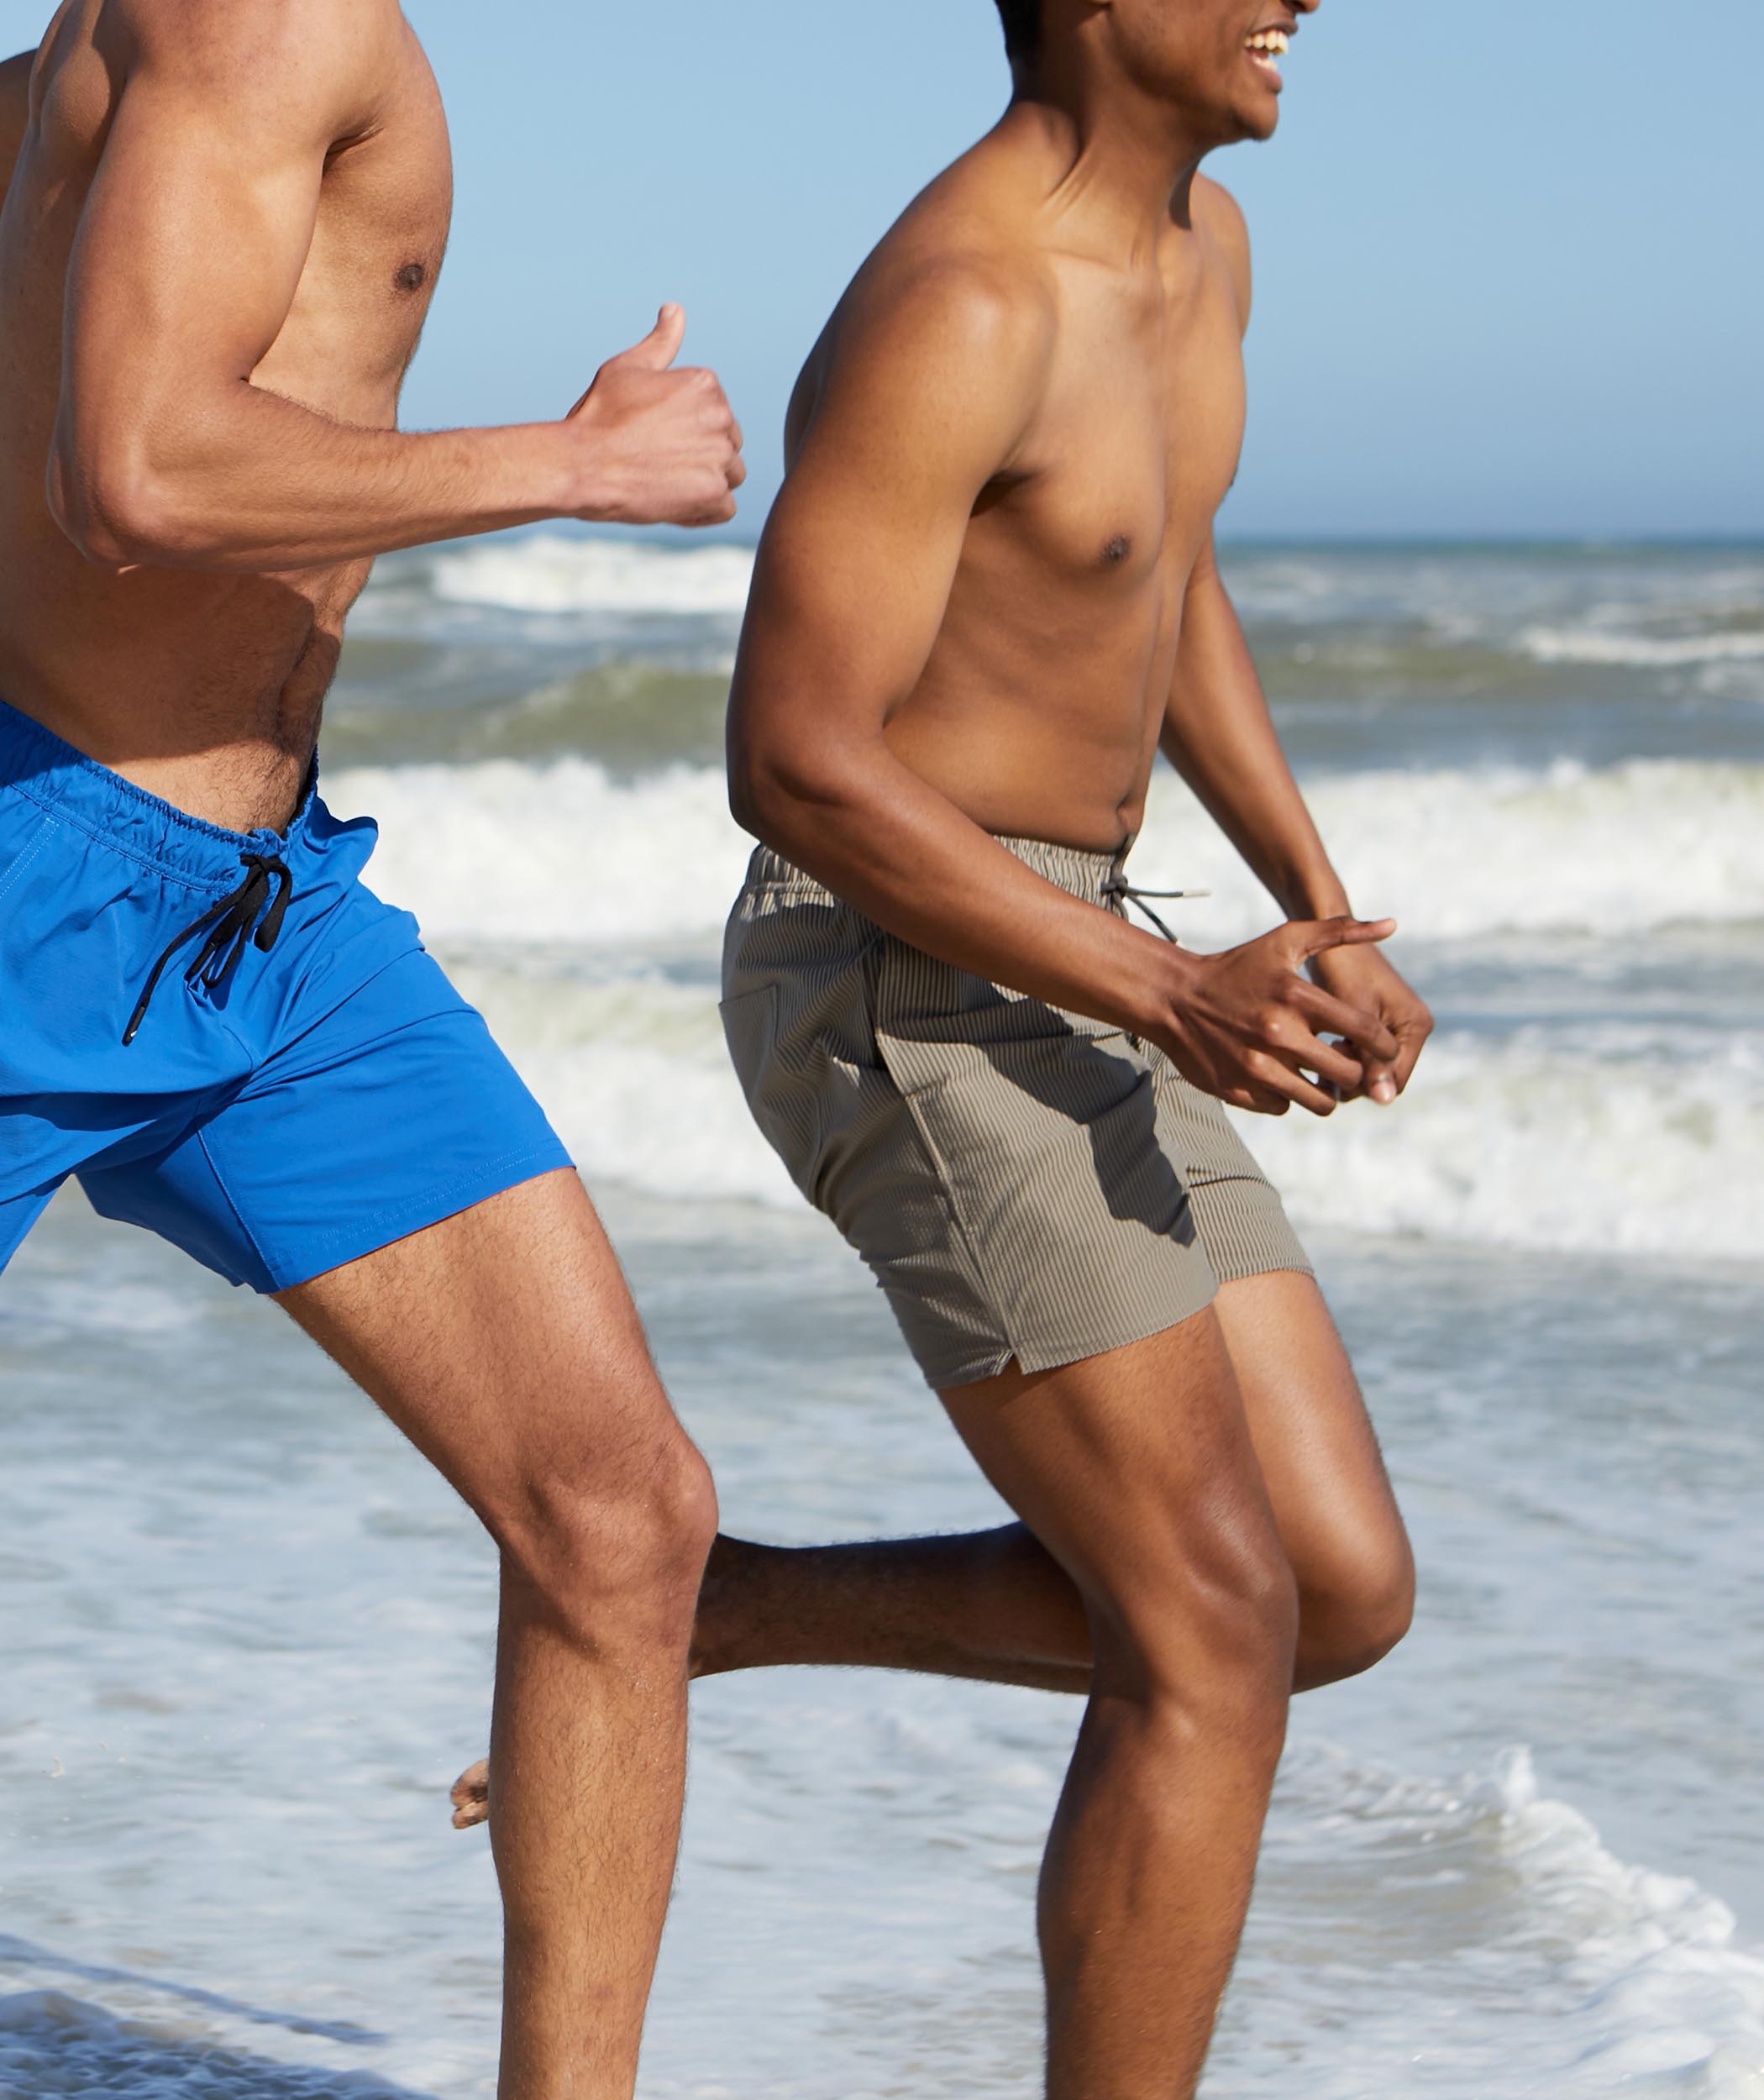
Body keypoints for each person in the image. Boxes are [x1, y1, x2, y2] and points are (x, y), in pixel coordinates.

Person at [460, 2, 1438, 2095]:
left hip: (1085, 950)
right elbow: (793, 762)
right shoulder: (965, 299)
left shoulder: (1204, 253)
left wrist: (1311, 904)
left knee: (1334, 1589)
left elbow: (1159, 572)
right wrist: (1178, 992)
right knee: (1205, 1628)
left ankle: (729, 1608)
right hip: (897, 966)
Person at [0, 5, 745, 2095]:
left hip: (260, 925)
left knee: (621, 1513)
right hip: (35, 872)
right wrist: (574, 462)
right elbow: (135, 464)